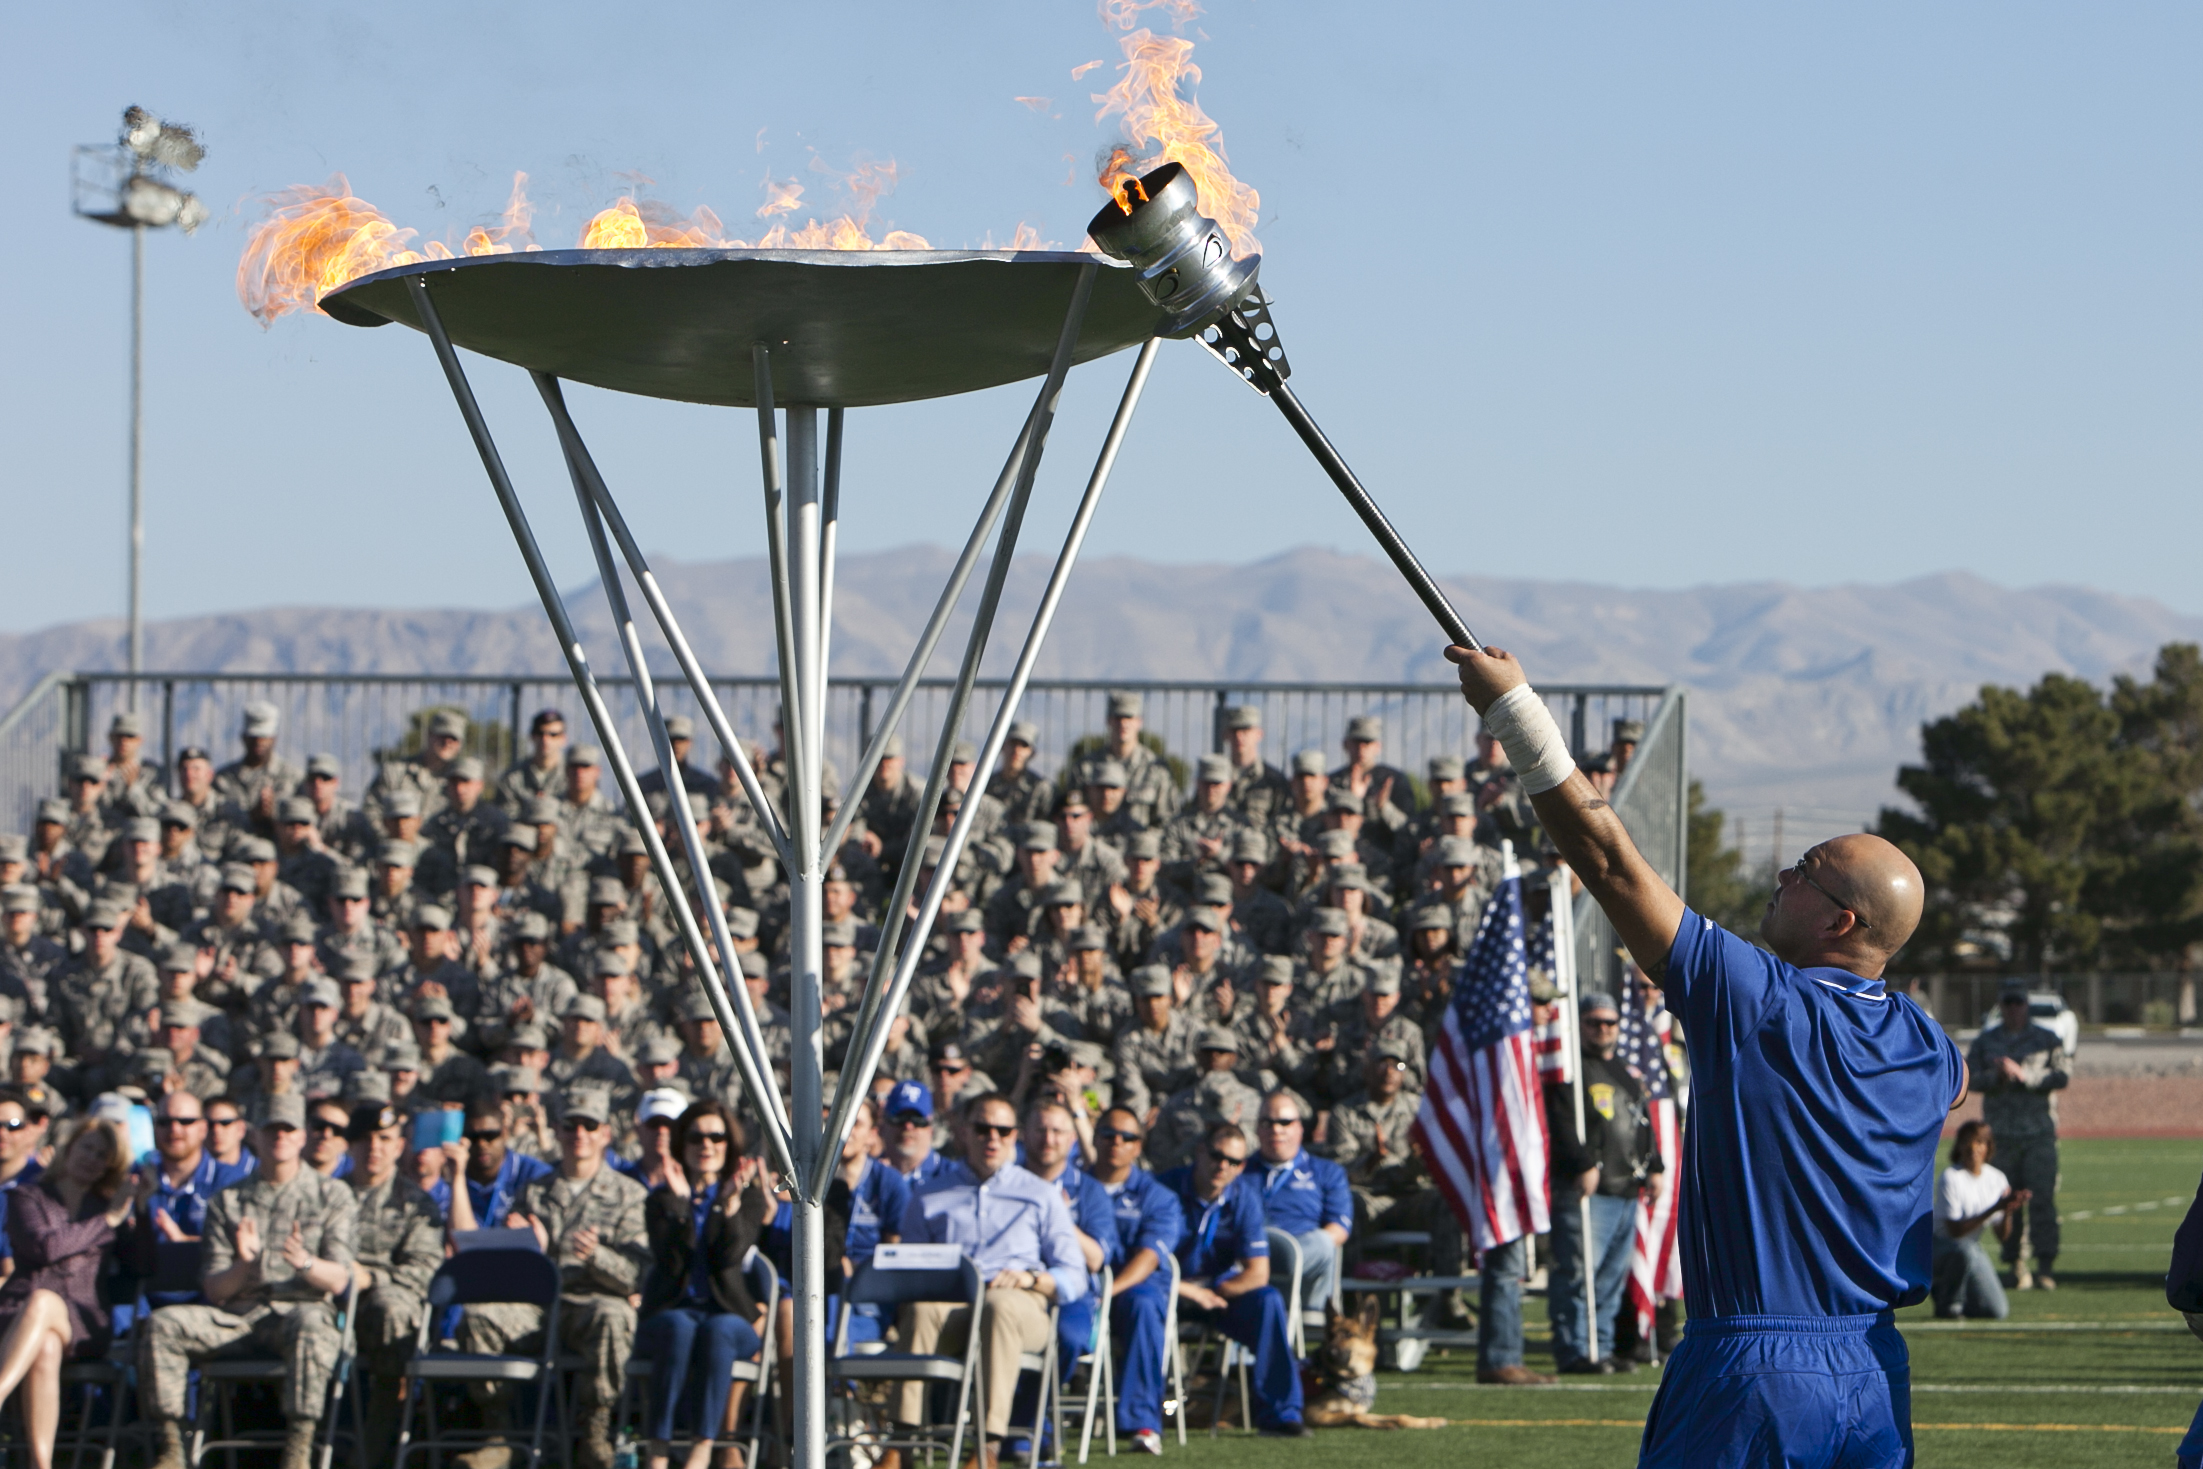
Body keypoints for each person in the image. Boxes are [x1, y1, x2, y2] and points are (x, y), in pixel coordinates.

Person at [1449, 642, 1963, 1468]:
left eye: (1806, 871)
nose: (1782, 874)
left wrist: (1515, 712)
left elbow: (1609, 863)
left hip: (1752, 1368)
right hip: (1875, 1372)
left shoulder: (1758, 999)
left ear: (1840, 923)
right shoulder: (1930, 1045)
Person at [143, 1094, 358, 1469]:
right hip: (238, 1316)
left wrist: (305, 1262)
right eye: (271, 1130)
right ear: (255, 1137)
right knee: (164, 1324)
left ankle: (298, 1448)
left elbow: (339, 1279)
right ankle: (172, 1446)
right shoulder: (228, 1200)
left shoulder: (332, 1195)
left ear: (301, 1137)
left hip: (299, 1312)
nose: (280, 1138)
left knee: (312, 1324)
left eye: (288, 1129)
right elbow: (214, 1289)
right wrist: (245, 1265)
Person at [888, 1093, 1087, 1469]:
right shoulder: (930, 1195)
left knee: (998, 1308)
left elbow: (1074, 1275)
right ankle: (900, 1445)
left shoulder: (1041, 1195)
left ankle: (987, 1447)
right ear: (964, 1132)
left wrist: (1030, 1278)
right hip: (953, 1304)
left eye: (1003, 1129)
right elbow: (908, 1269)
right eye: (982, 1128)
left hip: (1020, 1305)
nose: (992, 1138)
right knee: (919, 1311)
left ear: (1016, 1136)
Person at [458, 1084, 648, 1469]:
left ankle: (595, 1431)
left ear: (605, 1134)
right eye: (571, 1125)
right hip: (539, 1306)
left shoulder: (628, 1194)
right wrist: (529, 1247)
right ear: (558, 1131)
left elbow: (636, 1276)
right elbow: (507, 1272)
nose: (579, 1135)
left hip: (591, 1302)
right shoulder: (536, 1191)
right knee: (478, 1316)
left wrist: (595, 1257)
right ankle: (500, 1435)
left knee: (613, 1316)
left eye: (589, 1126)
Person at [0, 1118, 146, 1469]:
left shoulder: (107, 1208)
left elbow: (144, 1265)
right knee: (46, 1343)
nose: (91, 1158)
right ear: (68, 1149)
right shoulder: (27, 1196)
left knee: (44, 1300)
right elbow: (45, 1249)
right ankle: (41, 1463)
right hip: (18, 1320)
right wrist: (106, 1222)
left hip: (83, 1323)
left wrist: (139, 1209)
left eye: (102, 1154)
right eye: (86, 1148)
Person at [638, 1102, 770, 1469]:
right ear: (683, 1144)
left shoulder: (748, 1197)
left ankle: (702, 1448)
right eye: (696, 1137)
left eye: (717, 1136)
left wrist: (727, 1207)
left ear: (730, 1144)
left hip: (729, 1314)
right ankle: (659, 1449)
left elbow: (729, 1257)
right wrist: (681, 1206)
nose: (706, 1145)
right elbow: (670, 1262)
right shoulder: (661, 1200)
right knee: (680, 1327)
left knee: (720, 1330)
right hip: (672, 1312)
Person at [1544, 989, 1664, 1374]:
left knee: (1611, 1279)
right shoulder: (1569, 1070)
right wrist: (1581, 1163)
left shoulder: (1626, 1072)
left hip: (1626, 1189)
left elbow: (1643, 1121)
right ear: (1580, 1024)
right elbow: (1560, 1121)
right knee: (1578, 1274)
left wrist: (1657, 1165)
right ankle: (1575, 1349)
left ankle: (1603, 1347)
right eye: (1594, 1022)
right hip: (1588, 1189)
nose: (1603, 1029)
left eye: (1609, 1022)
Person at [1158, 1122, 1304, 1436]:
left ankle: (1282, 1414)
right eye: (1216, 1155)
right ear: (1199, 1151)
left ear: (1241, 1167)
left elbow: (1258, 1272)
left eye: (1234, 1162)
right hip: (1164, 1288)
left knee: (1268, 1301)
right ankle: (1141, 1415)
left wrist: (1213, 1290)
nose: (1222, 1166)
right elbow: (1143, 1260)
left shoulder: (1244, 1198)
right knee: (1142, 1301)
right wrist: (1185, 1289)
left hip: (1217, 1293)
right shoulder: (1164, 1188)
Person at [343, 1101, 445, 1461]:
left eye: (385, 1139)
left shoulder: (416, 1203)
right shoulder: (325, 1196)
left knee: (393, 1309)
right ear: (349, 1144)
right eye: (365, 1139)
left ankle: (380, 1439)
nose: (375, 1148)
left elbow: (424, 1271)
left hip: (382, 1306)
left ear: (400, 1146)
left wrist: (371, 1278)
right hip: (328, 1300)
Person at [1080, 1107, 1182, 1454]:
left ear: (1139, 1146)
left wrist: (1108, 1293)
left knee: (1145, 1303)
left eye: (1128, 1137)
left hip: (1127, 1290)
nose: (1117, 1142)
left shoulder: (1158, 1197)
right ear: (1094, 1138)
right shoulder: (1071, 1185)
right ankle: (1033, 1422)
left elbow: (1149, 1258)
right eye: (1108, 1134)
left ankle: (1142, 1422)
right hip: (1078, 1285)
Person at [1965, 983, 2068, 1290]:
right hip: (2002, 1137)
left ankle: (2045, 1266)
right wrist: (1994, 1077)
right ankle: (2016, 1265)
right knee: (2009, 1202)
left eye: (2018, 1003)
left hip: (2038, 1135)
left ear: (2026, 1005)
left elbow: (2062, 1075)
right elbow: (1968, 1078)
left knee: (2042, 1202)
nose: (2013, 1009)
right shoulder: (1987, 1040)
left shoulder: (2047, 1039)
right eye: (2007, 1003)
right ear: (2001, 1006)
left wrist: (2026, 1076)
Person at [1249, 1090, 1350, 1316]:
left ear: (1299, 1128)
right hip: (1249, 1253)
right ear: (1256, 1128)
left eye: (1285, 1122)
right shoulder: (1238, 1171)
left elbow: (1339, 1229)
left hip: (1303, 1262)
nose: (1276, 1129)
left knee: (1323, 1242)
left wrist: (1289, 1251)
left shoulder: (1327, 1172)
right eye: (1268, 1122)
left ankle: (1262, 1270)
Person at [1931, 1121, 2022, 1321]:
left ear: (1988, 1147)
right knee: (1964, 1249)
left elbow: (2003, 1236)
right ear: (1959, 1146)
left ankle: (1951, 1295)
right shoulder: (1951, 1177)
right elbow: (1954, 1231)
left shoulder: (1997, 1179)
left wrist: (2007, 1211)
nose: (1974, 1148)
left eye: (1980, 1142)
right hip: (1937, 1248)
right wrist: (1994, 1208)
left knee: (1997, 1311)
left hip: (1970, 1249)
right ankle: (1948, 1305)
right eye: (1967, 1142)